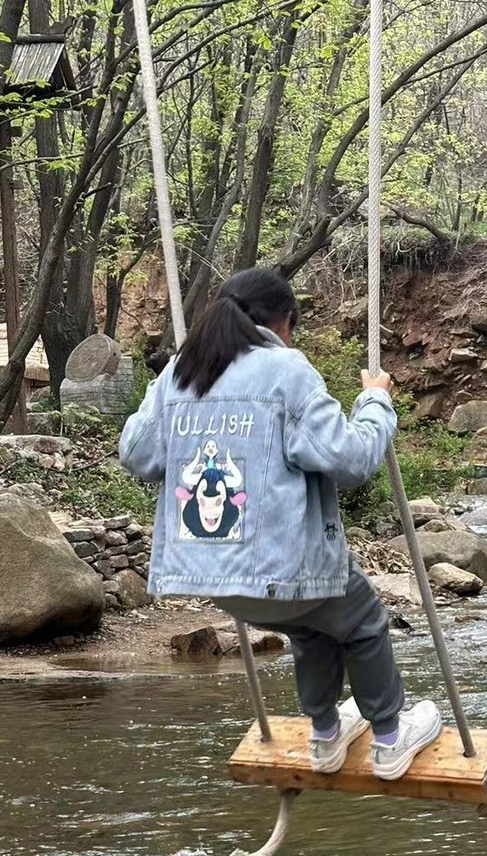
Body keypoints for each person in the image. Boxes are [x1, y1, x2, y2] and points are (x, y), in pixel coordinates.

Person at [119, 266, 442, 781]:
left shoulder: (183, 371)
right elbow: (352, 460)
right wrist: (376, 402)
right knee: (362, 621)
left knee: (313, 629)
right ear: (282, 323)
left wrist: (166, 391)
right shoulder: (286, 370)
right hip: (280, 569)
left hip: (211, 579)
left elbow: (136, 452)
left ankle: (325, 737)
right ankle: (388, 739)